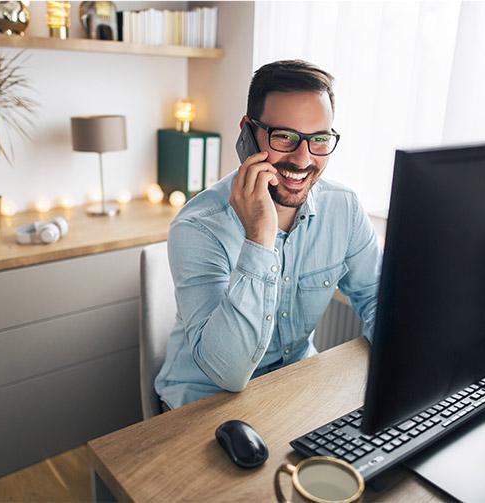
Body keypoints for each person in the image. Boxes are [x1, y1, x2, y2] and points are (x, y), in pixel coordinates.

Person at [155, 60, 381, 411]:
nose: (303, 159)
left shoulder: (344, 208)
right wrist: (259, 237)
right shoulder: (198, 226)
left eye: (319, 139)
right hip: (203, 401)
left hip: (294, 386)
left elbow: (377, 296)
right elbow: (227, 374)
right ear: (247, 133)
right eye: (285, 137)